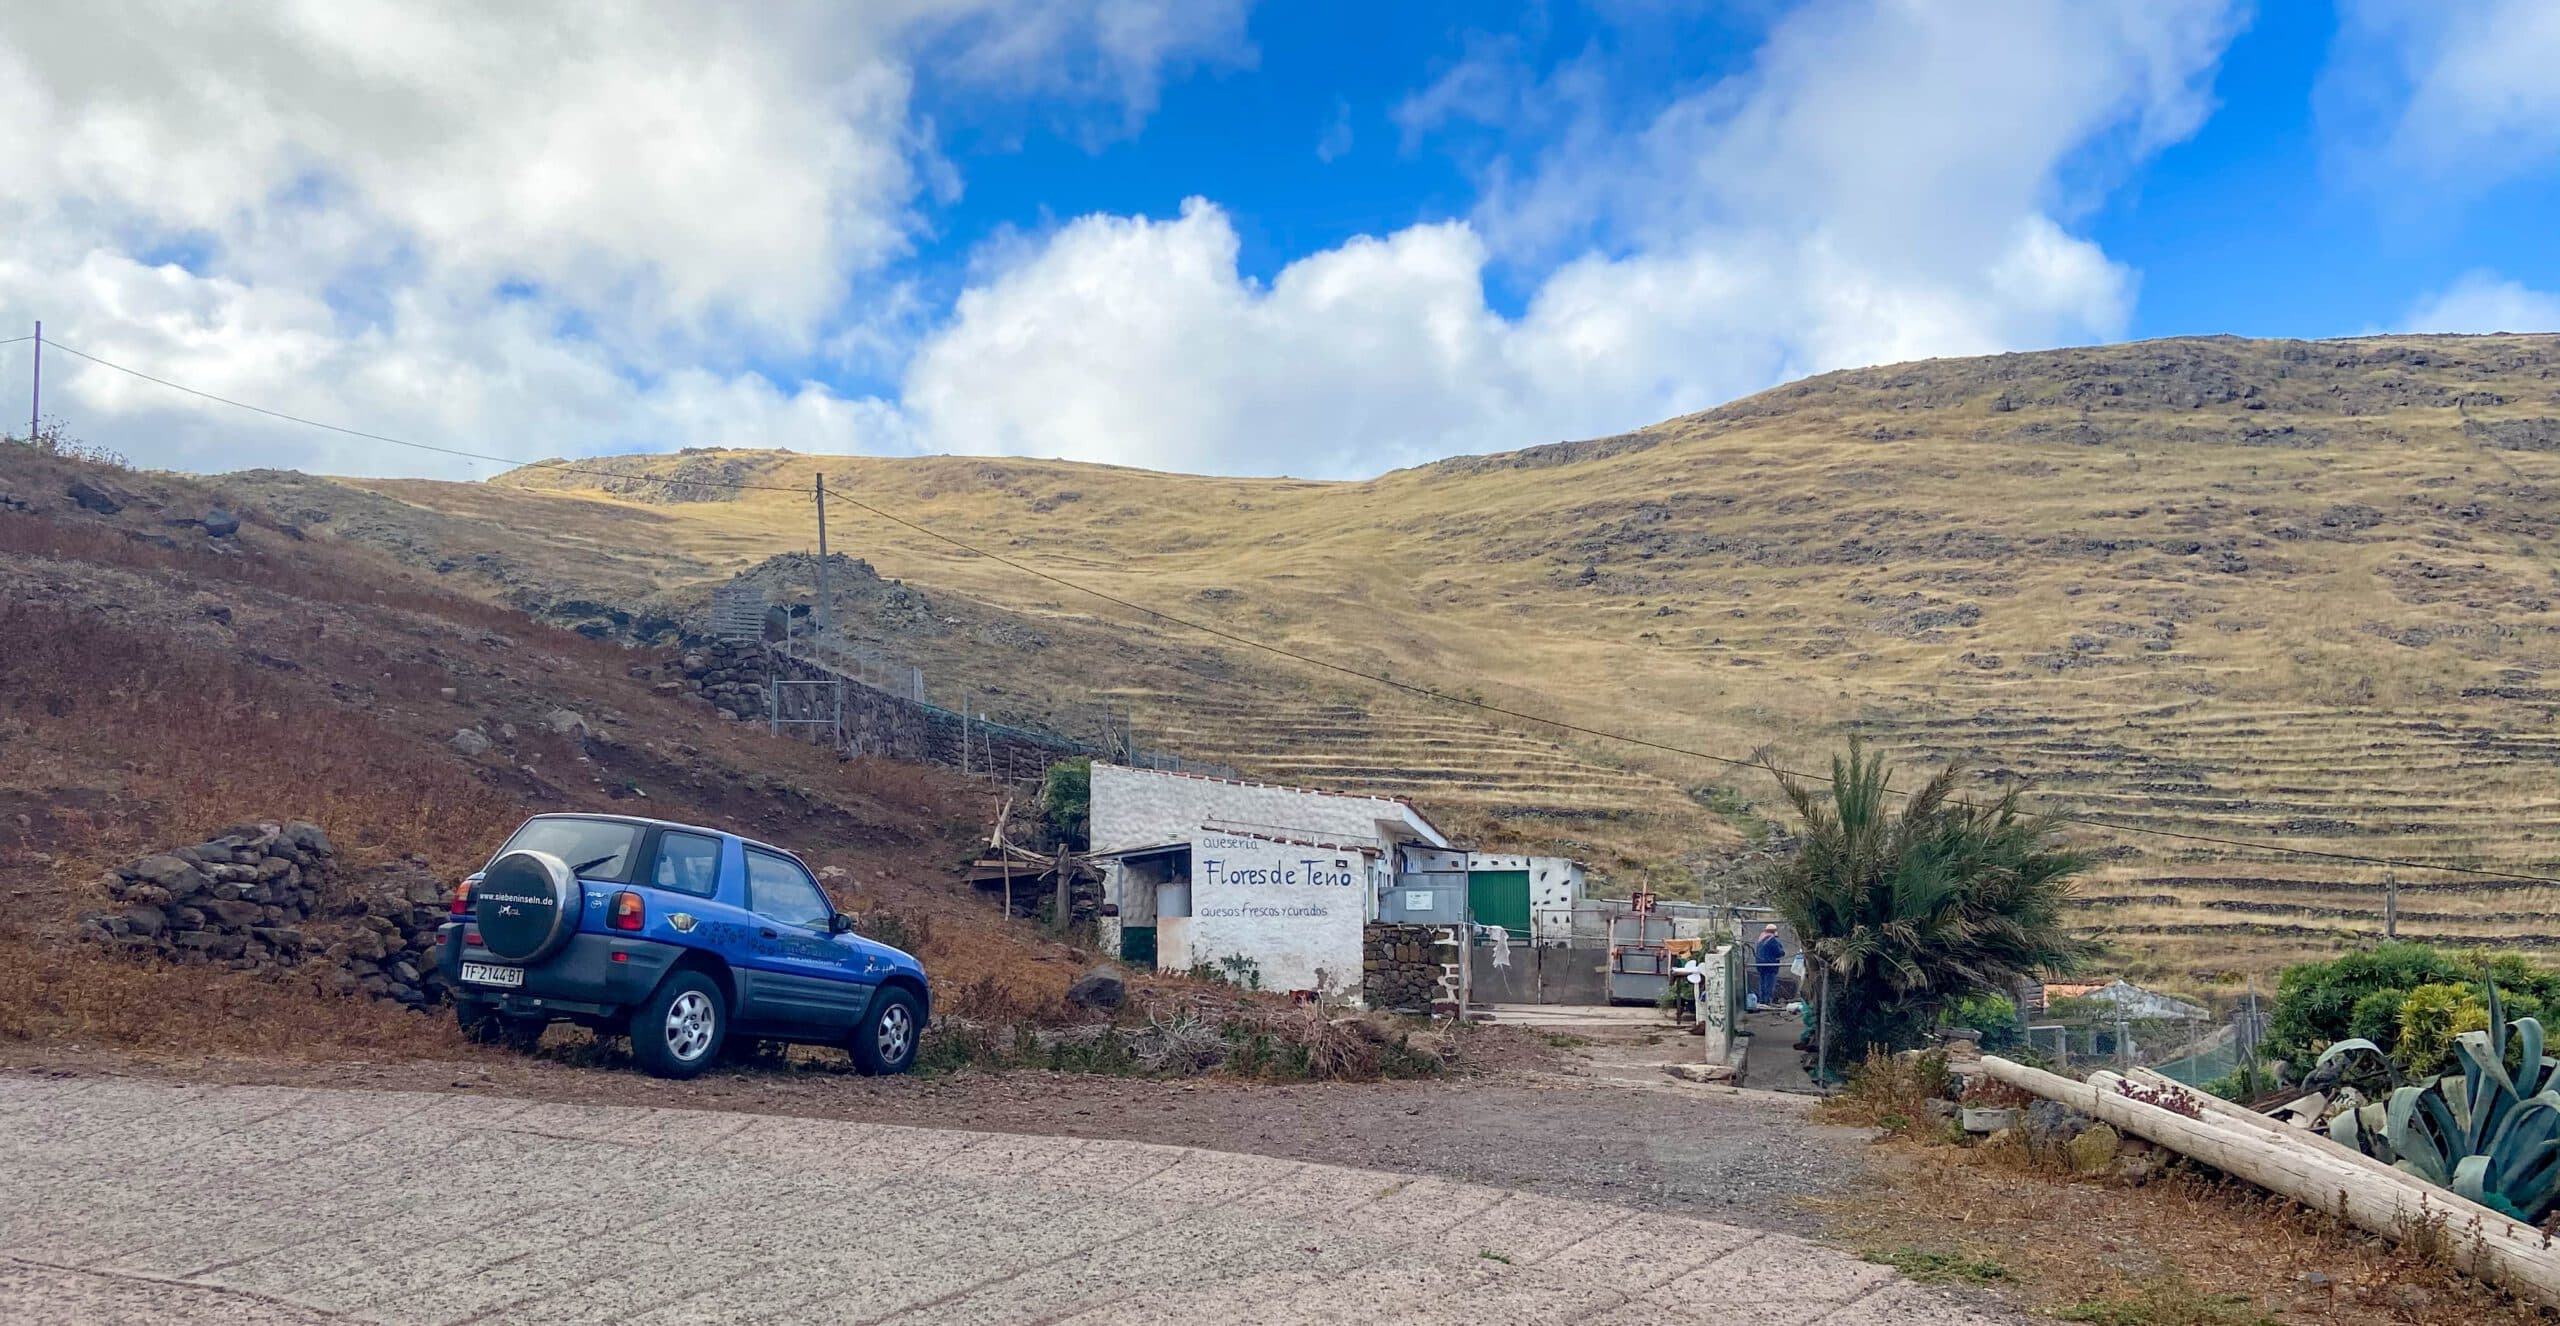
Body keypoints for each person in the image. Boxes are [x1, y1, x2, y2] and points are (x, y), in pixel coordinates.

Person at [1753, 923, 1785, 1006]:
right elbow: (1778, 952)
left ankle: (1762, 1000)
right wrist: (1782, 952)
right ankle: (1768, 1001)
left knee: (1762, 982)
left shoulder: (1760, 939)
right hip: (1770, 964)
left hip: (1760, 964)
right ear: (1774, 931)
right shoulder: (1772, 939)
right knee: (1769, 983)